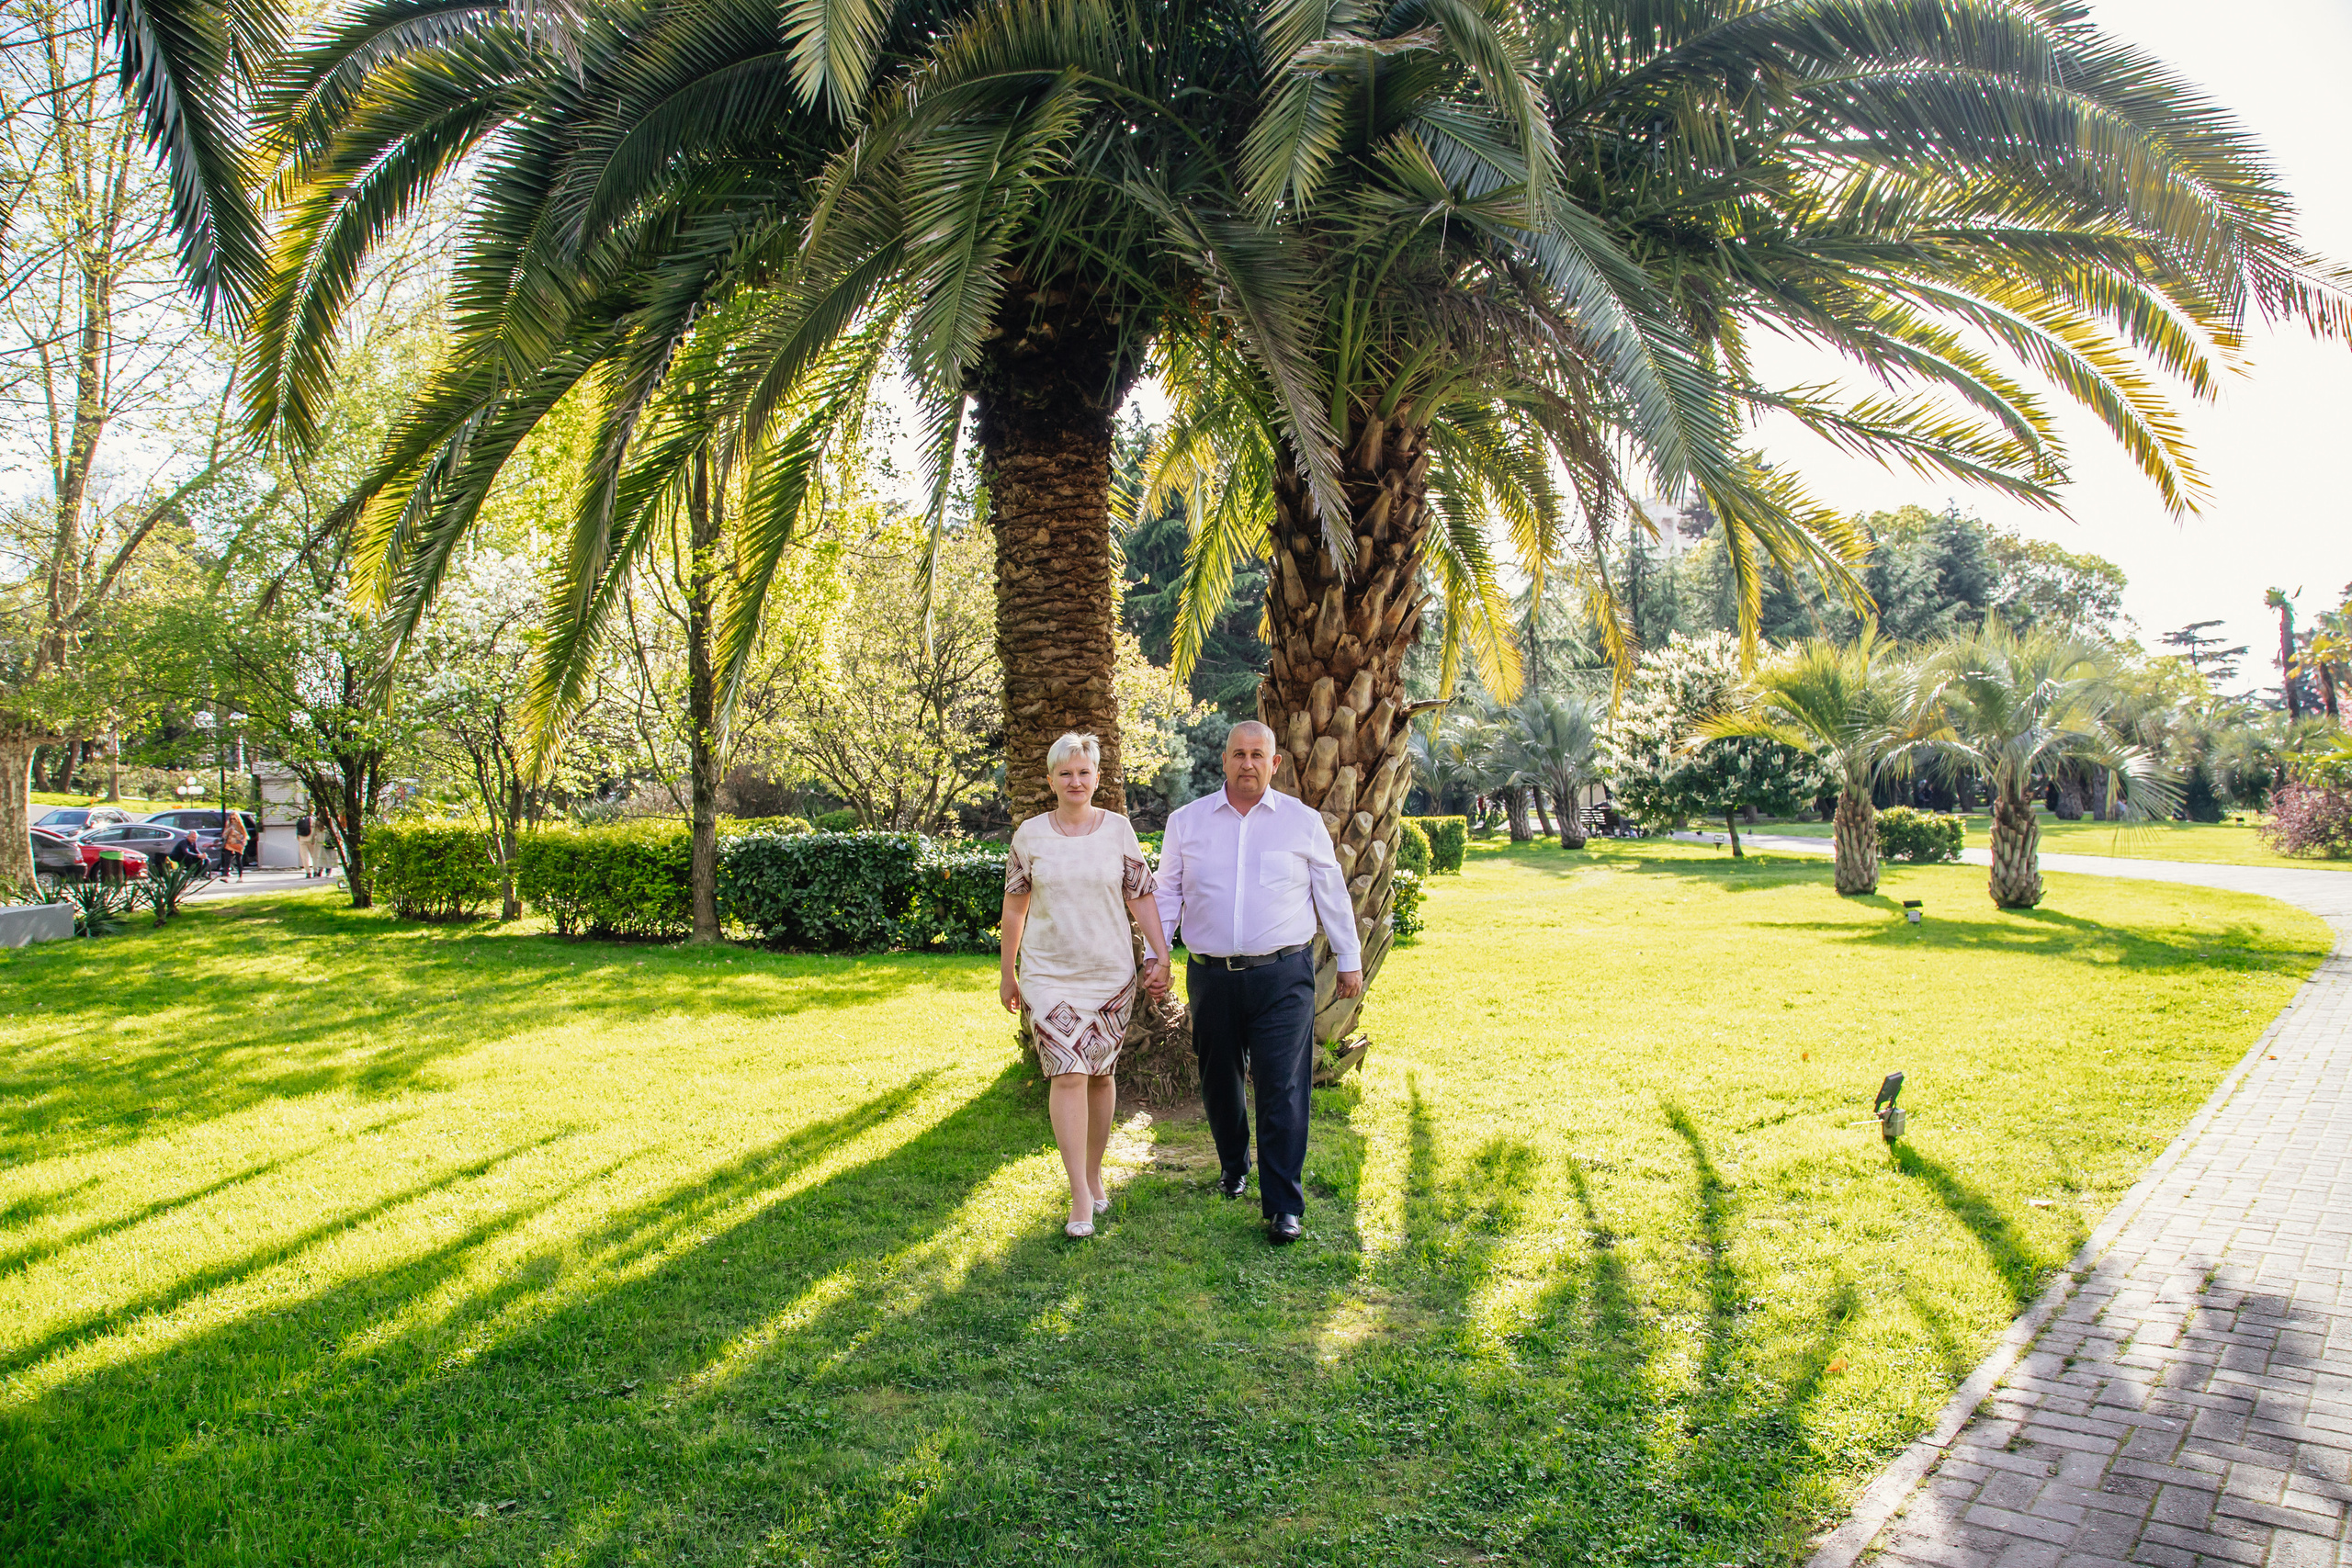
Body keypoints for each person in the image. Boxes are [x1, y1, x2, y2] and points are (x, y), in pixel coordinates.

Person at [1154, 720, 1363, 1246]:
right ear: (1224, 761)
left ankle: (1283, 1205)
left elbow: (1331, 893)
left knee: (1282, 1085)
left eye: (1258, 755)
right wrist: (1157, 956)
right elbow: (1166, 893)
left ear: (1274, 764)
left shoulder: (1302, 822)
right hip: (1211, 974)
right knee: (1219, 1078)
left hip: (1283, 976)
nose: (1248, 764)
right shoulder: (1186, 822)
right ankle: (1233, 1164)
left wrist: (1348, 958)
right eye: (1238, 754)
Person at [1000, 733, 1173, 1239]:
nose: (1076, 781)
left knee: (1099, 1073)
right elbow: (1015, 907)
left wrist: (1160, 953)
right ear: (1050, 779)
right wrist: (1007, 972)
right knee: (1067, 1073)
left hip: (1109, 975)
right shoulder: (1030, 836)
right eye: (1066, 773)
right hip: (1047, 974)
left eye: (1085, 772)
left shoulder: (1118, 831)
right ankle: (1079, 1191)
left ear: (1098, 778)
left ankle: (1094, 1171)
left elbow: (1141, 898)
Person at [220, 810, 247, 881]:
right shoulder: (228, 825)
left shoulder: (240, 826)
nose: (232, 820)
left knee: (238, 860)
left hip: (237, 844)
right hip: (229, 844)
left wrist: (235, 833)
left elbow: (244, 836)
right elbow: (224, 836)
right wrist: (228, 830)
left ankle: (240, 877)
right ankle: (225, 876)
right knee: (227, 860)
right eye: (231, 819)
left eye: (234, 819)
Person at [295, 809, 322, 877]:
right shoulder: (313, 820)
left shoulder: (300, 820)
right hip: (311, 840)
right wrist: (313, 838)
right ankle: (315, 871)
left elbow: (298, 831)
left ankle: (307, 872)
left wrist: (299, 838)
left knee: (304, 857)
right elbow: (315, 831)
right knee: (314, 856)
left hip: (302, 839)